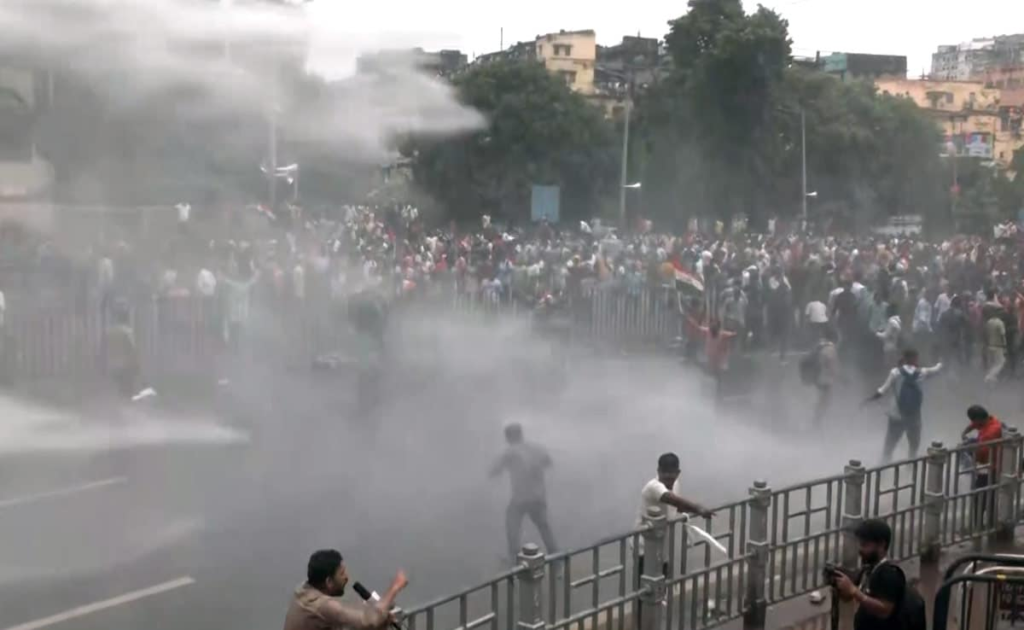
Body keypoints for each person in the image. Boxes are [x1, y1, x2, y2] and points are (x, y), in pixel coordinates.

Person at [283, 549, 408, 630]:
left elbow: (347, 614)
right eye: (342, 573)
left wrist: (380, 619)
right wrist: (395, 587)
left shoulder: (303, 591)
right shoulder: (320, 605)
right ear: (329, 582)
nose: (347, 577)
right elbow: (369, 621)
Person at [490, 423, 558, 563]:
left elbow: (495, 471)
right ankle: (555, 555)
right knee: (543, 526)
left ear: (509, 437)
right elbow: (549, 462)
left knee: (512, 524)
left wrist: (493, 471)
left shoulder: (510, 452)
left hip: (521, 498)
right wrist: (535, 467)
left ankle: (514, 557)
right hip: (538, 496)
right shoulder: (536, 448)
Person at [868, 349, 942, 463]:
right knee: (913, 446)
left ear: (904, 358)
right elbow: (936, 369)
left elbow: (882, 390)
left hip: (896, 415)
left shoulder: (895, 372)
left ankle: (882, 470)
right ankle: (910, 469)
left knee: (889, 446)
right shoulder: (922, 372)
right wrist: (940, 361)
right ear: (916, 358)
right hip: (914, 416)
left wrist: (869, 400)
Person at [832, 520, 906, 630]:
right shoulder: (868, 568)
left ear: (881, 545)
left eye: (865, 545)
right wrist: (840, 585)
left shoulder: (890, 574)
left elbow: (884, 610)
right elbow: (849, 597)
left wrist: (853, 590)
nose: (860, 550)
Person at [961, 405, 1003, 528]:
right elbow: (975, 425)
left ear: (979, 419)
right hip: (992, 466)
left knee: (980, 498)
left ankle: (978, 527)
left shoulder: (989, 434)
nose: (973, 424)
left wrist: (968, 450)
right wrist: (965, 432)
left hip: (990, 468)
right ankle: (988, 525)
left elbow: (981, 455)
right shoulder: (991, 420)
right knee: (988, 497)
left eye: (974, 421)